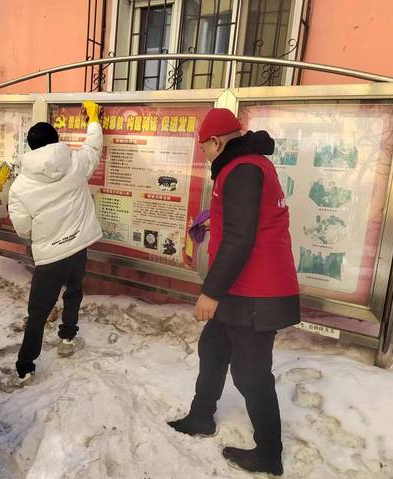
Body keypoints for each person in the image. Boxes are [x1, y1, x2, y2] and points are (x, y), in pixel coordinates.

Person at [167, 108, 300, 476]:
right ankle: (201, 416)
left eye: (204, 148)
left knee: (250, 374)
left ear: (216, 142)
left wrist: (210, 292)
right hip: (242, 286)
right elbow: (246, 222)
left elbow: (240, 239)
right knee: (213, 347)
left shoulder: (242, 169)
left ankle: (269, 454)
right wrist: (215, 219)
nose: (204, 154)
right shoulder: (246, 165)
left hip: (257, 289)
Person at [8, 101, 103, 382]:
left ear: (30, 147)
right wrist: (93, 119)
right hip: (77, 249)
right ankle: (68, 339)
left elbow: (23, 228)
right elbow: (93, 147)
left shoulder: (20, 186)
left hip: (49, 259)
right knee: (74, 292)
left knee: (38, 312)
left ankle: (25, 367)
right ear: (56, 140)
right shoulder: (75, 163)